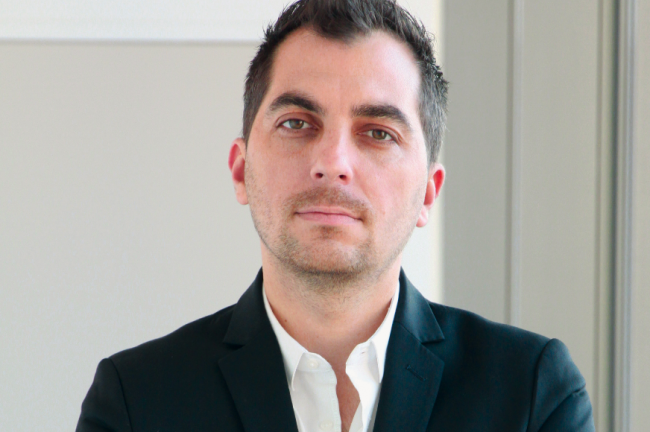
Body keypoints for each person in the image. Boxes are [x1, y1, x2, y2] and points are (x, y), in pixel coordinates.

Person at [76, 1, 595, 431]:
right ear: (240, 171)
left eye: (378, 133)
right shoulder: (135, 402)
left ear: (428, 194)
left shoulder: (533, 394)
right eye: (297, 123)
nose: (332, 163)